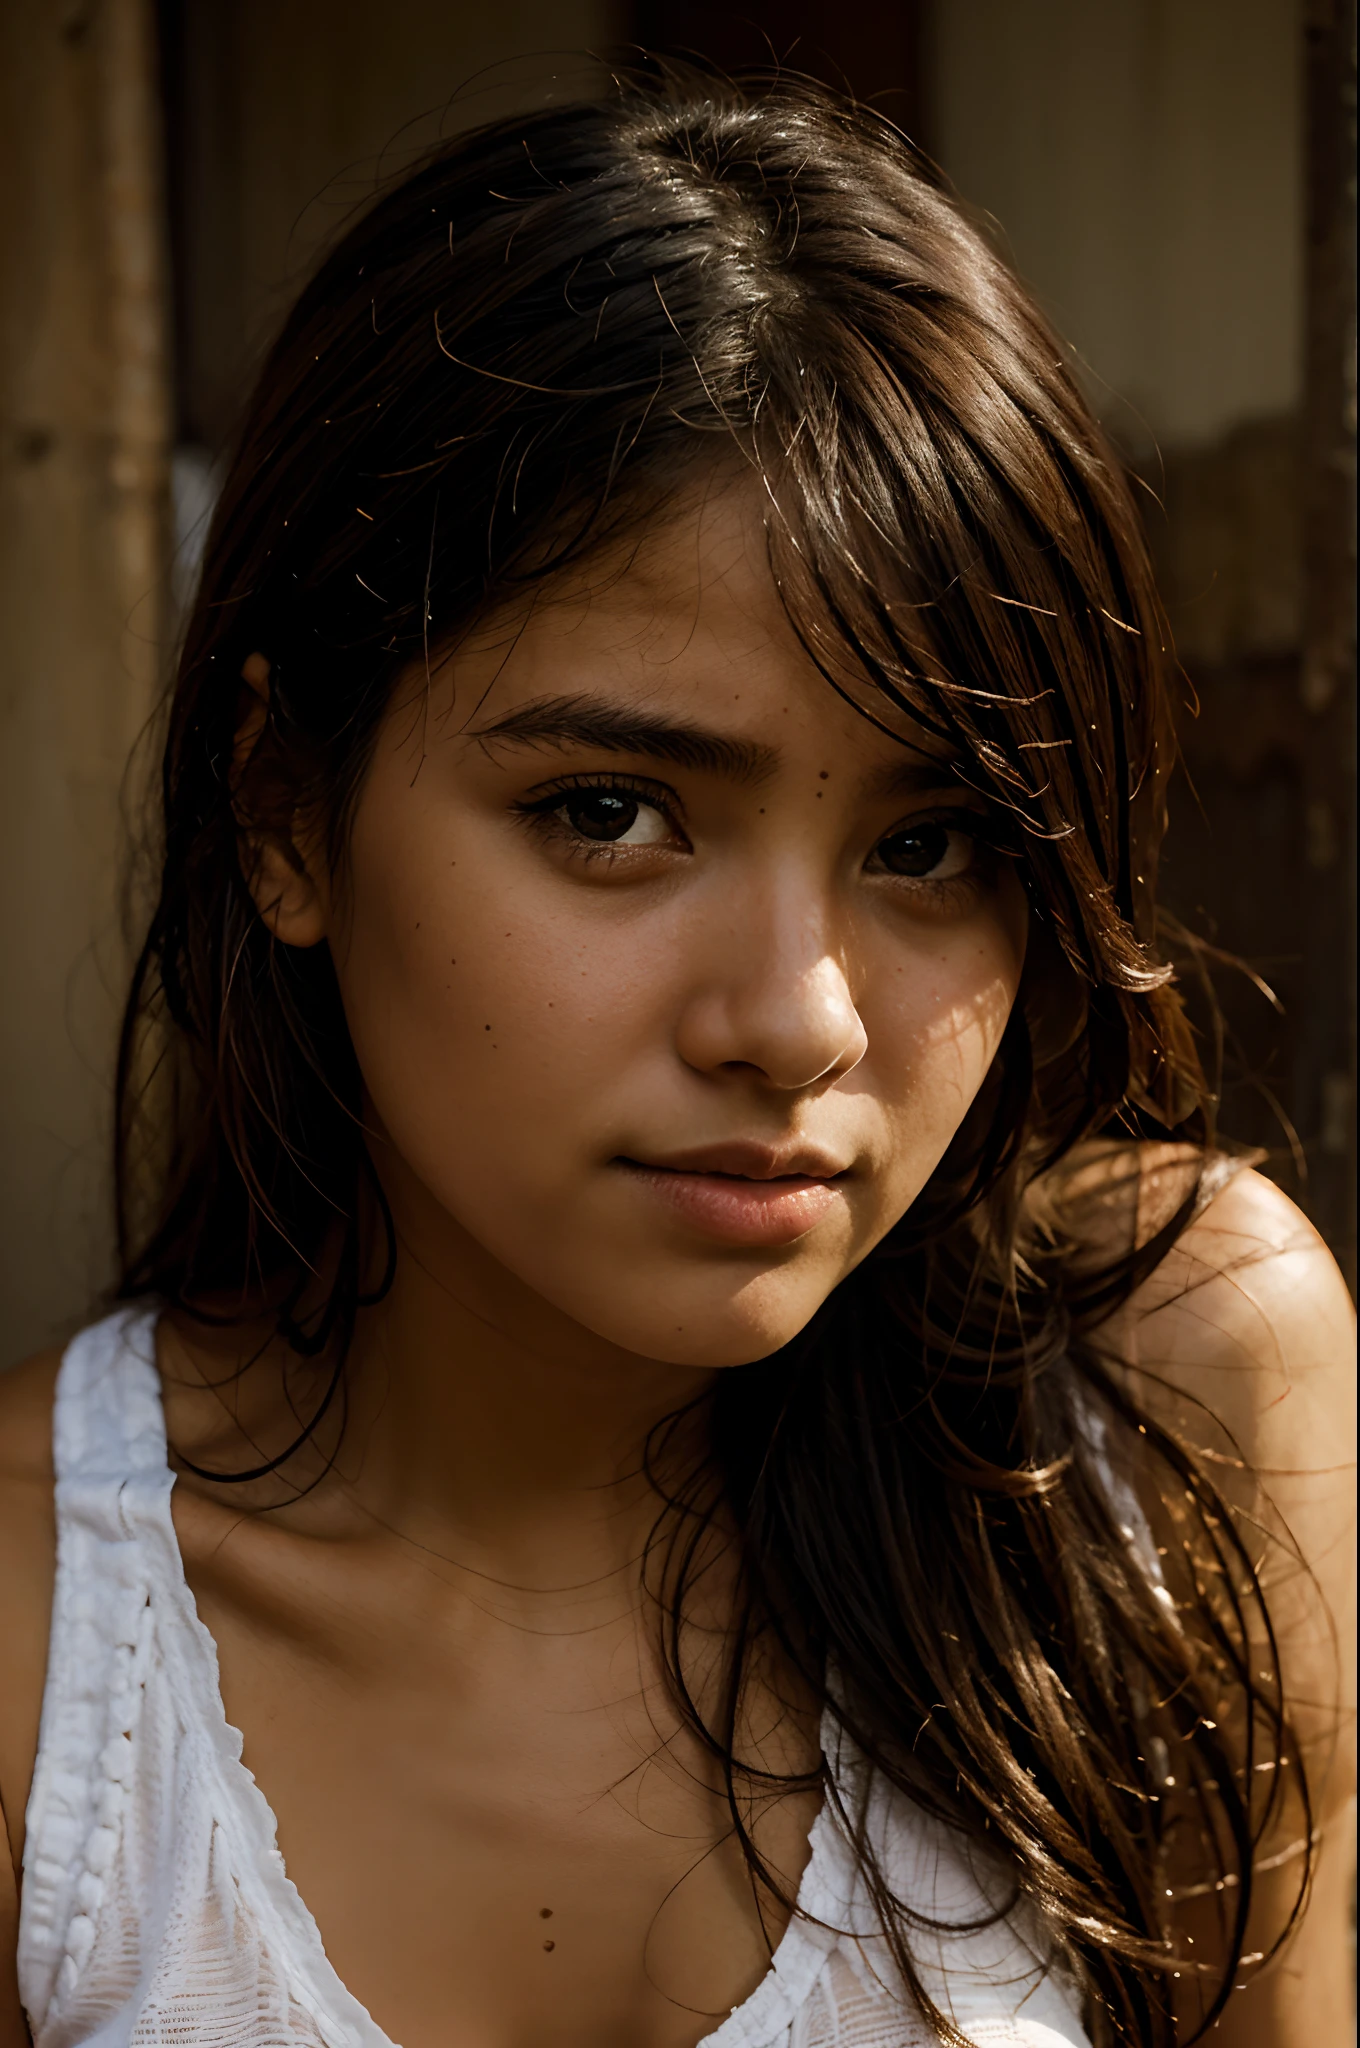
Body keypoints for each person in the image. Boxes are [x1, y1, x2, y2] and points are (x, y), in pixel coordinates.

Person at [0, 66, 1352, 2048]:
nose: (797, 1019)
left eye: (926, 847)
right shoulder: (48, 1660)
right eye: (610, 812)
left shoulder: (1154, 1416)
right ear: (286, 809)